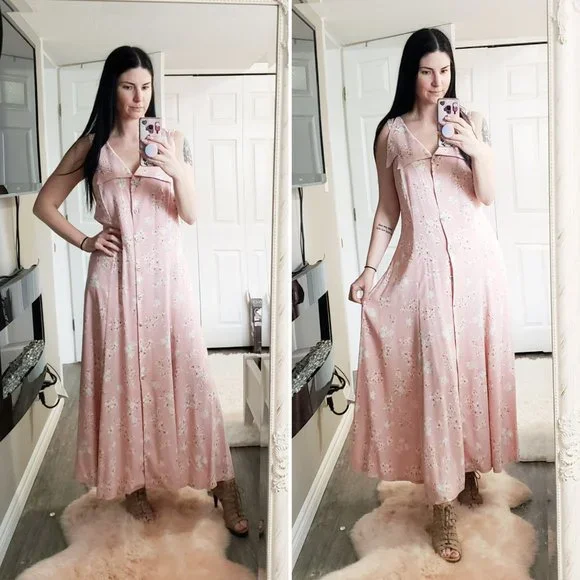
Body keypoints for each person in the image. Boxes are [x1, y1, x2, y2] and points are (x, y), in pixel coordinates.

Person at [33, 46, 248, 537]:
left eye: (146, 87)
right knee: (123, 382)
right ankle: (133, 483)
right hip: (113, 280)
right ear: (112, 88)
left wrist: (175, 167)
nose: (138, 97)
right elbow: (44, 204)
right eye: (128, 86)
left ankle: (223, 481)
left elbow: (190, 213)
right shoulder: (93, 147)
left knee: (191, 376)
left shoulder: (172, 139)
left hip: (166, 280)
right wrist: (86, 240)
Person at [348, 28, 518, 563]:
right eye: (426, 71)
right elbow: (387, 211)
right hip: (420, 272)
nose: (437, 82)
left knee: (468, 371)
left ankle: (465, 468)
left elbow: (486, 195)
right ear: (411, 73)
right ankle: (441, 503)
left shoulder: (472, 123)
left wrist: (473, 146)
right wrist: (368, 271)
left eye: (444, 71)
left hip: (476, 270)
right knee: (438, 378)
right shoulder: (392, 135)